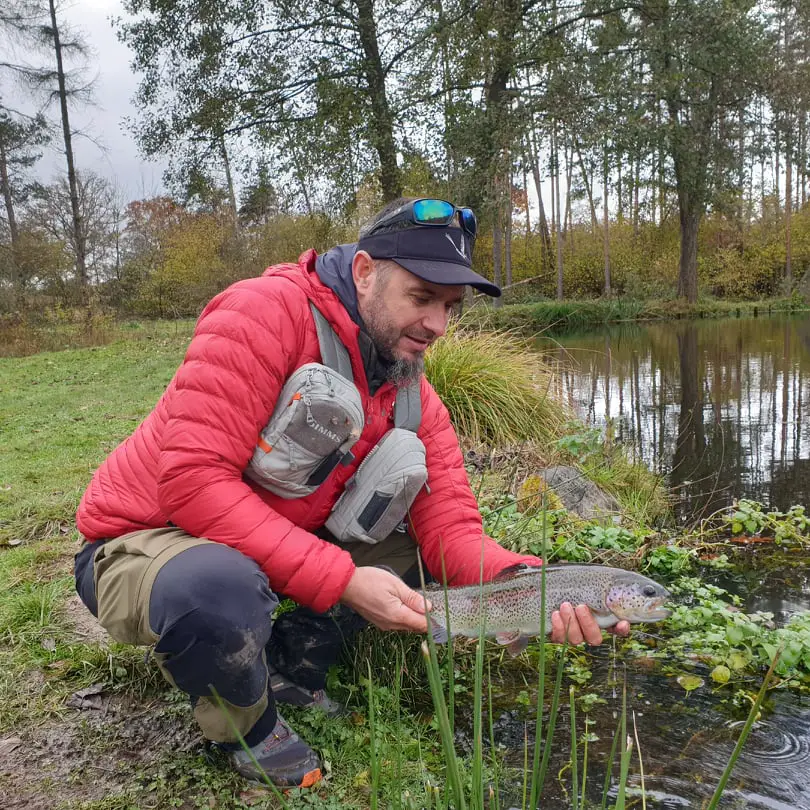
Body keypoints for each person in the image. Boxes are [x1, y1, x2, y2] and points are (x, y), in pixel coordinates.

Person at [73, 197, 629, 788]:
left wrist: (534, 586)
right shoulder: (262, 313)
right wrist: (340, 581)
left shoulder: (415, 399)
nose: (438, 326)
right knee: (215, 590)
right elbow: (193, 484)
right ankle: (249, 728)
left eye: (450, 307)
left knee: (412, 555)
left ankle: (286, 665)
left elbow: (452, 536)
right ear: (365, 272)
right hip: (148, 539)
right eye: (422, 297)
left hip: (262, 541)